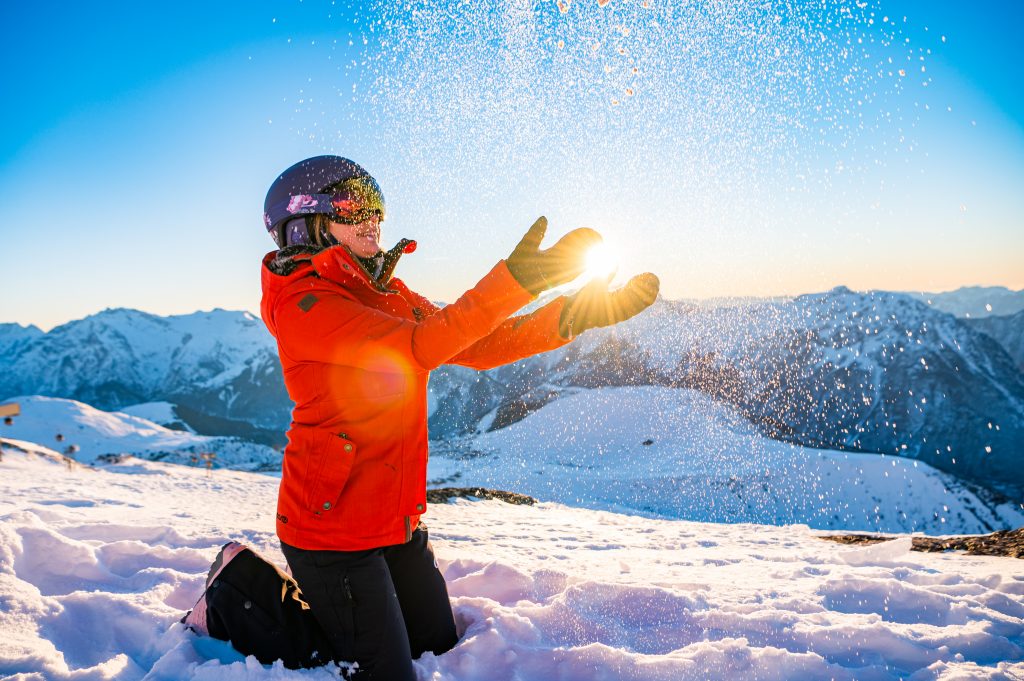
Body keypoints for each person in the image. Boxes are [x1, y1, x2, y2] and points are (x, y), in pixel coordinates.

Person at [259, 155, 659, 679]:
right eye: (355, 203)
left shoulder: (385, 292)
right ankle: (243, 609)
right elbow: (418, 347)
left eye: (376, 204)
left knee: (438, 646)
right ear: (305, 220)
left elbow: (476, 341)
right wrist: (515, 280)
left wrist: (572, 316)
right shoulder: (304, 303)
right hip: (330, 532)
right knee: (386, 670)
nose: (372, 217)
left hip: (394, 521)